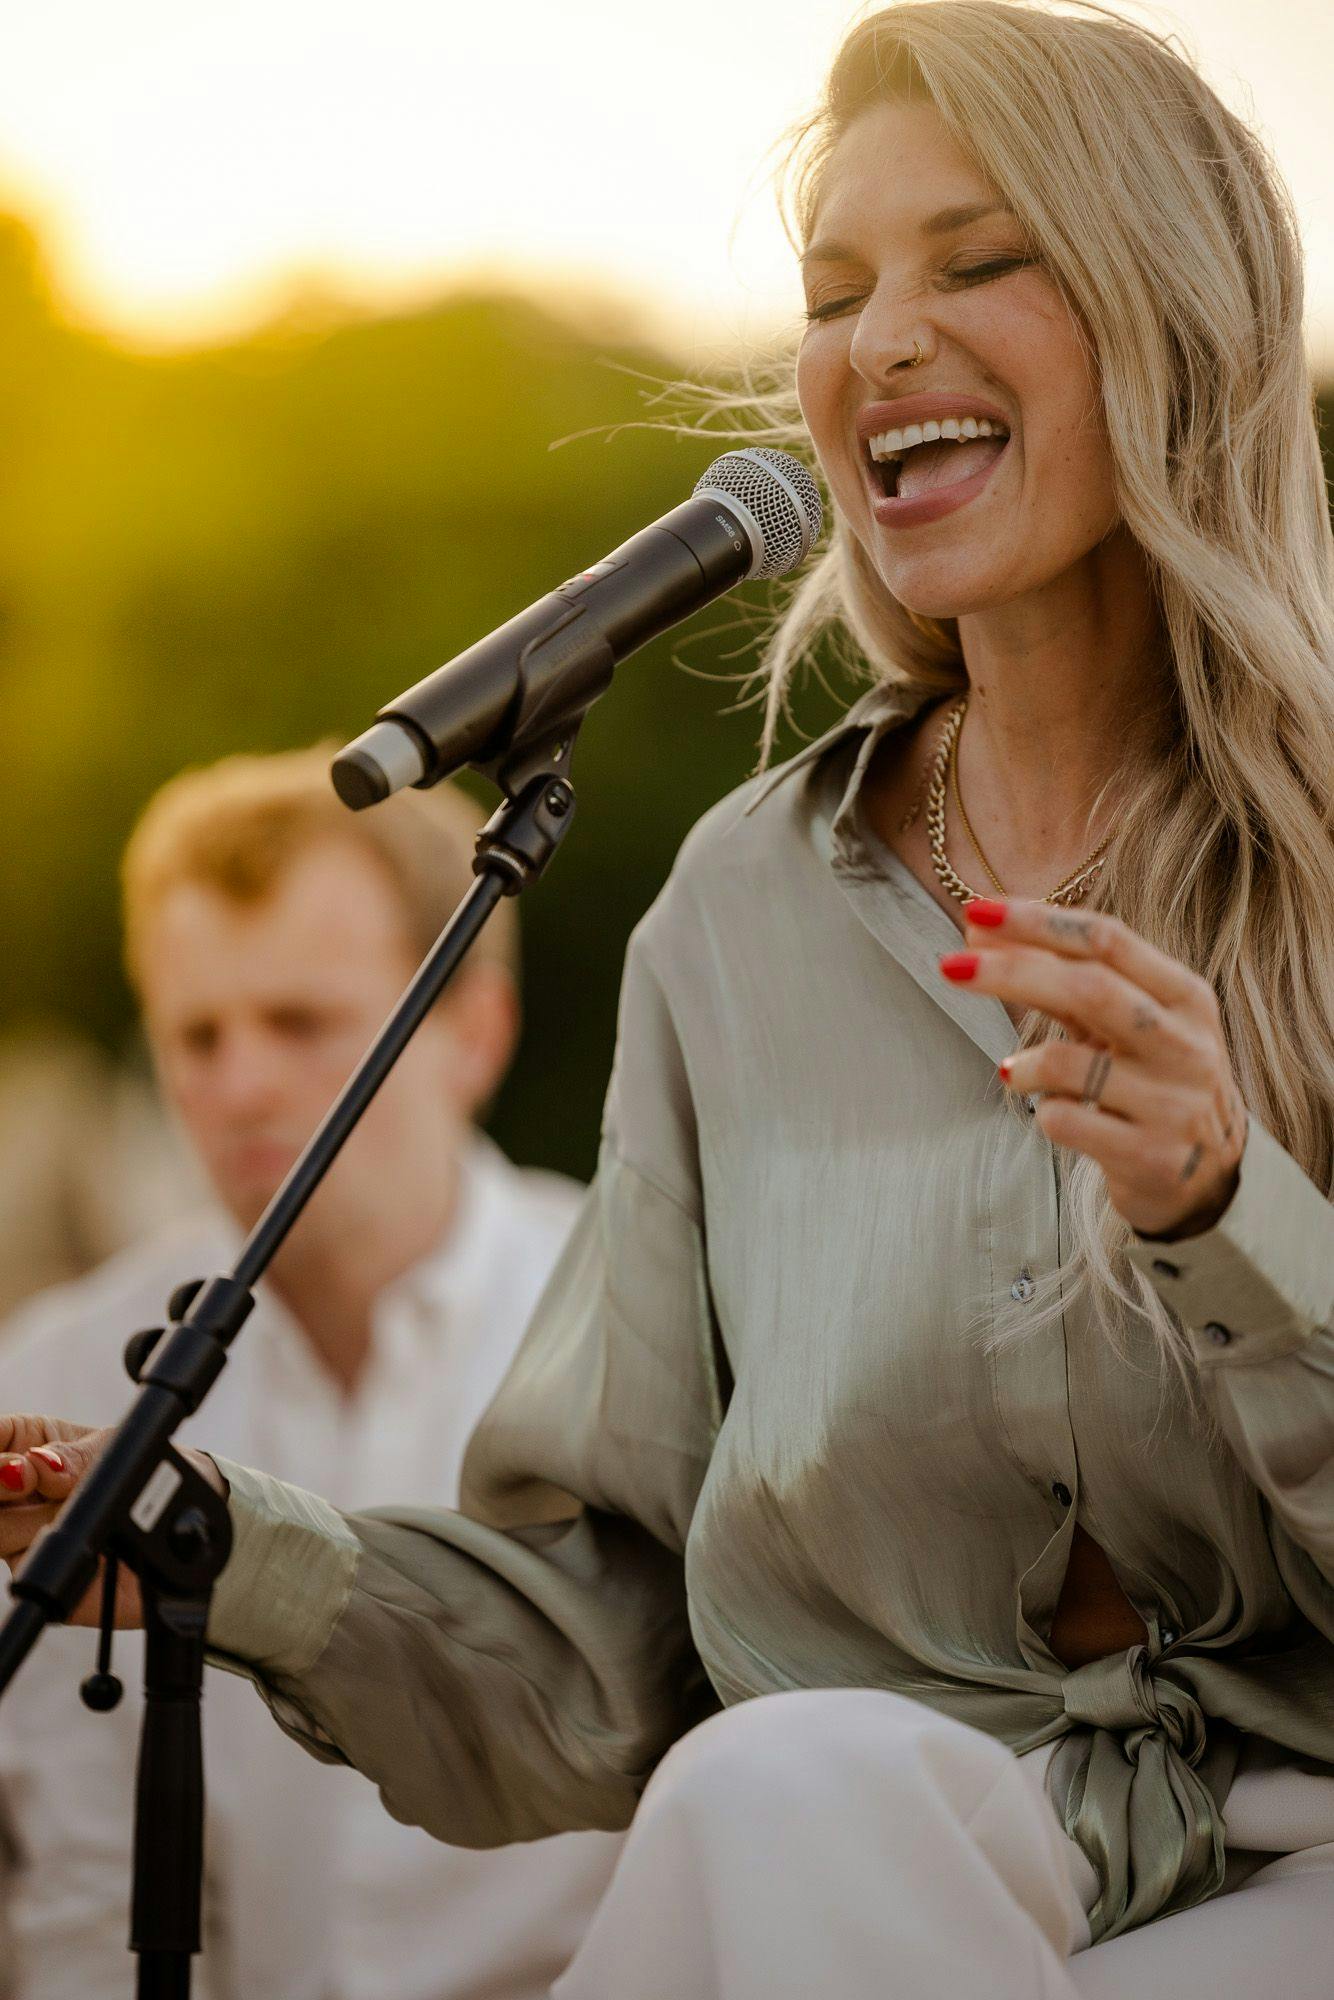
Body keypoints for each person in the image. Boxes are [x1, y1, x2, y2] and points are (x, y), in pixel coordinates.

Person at [4, 2, 1334, 1991]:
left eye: (977, 262)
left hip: (1292, 1868)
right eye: (830, 292)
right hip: (903, 1861)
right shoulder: (739, 915)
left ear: (1178, 318)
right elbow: (620, 1631)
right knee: (773, 1788)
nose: (874, 342)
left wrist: (1230, 1216)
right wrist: (224, 1558)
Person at [0, 746, 622, 1999]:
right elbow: (78, 1871)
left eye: (300, 1021)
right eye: (196, 1033)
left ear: (474, 1031)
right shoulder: (60, 1365)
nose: (238, 1085)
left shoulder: (633, 1325)